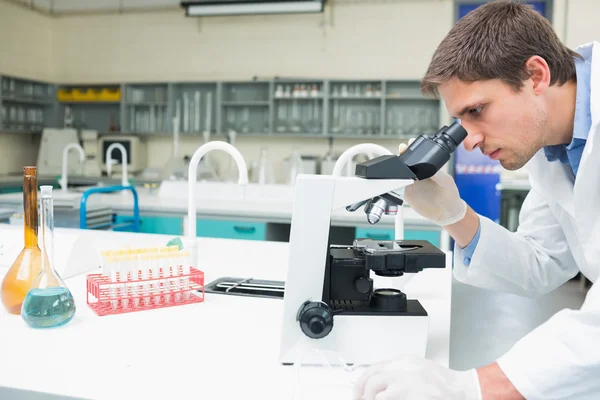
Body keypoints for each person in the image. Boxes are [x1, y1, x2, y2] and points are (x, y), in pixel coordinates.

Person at [353, 1, 600, 399]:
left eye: (478, 110)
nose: (468, 139)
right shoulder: (554, 148)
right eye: (459, 122)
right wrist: (454, 215)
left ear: (535, 75)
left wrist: (476, 386)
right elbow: (543, 262)